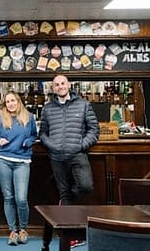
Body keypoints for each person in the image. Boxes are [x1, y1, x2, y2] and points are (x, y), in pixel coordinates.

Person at [39, 74, 99, 206]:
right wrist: (52, 145)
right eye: (57, 85)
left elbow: (94, 129)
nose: (60, 87)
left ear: (69, 85)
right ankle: (67, 226)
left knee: (86, 186)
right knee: (63, 194)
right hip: (57, 157)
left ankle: (69, 200)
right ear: (53, 89)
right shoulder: (47, 108)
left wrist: (81, 145)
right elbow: (42, 133)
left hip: (77, 155)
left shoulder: (83, 105)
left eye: (63, 83)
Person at [0, 91, 37, 246]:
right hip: (3, 160)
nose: (11, 104)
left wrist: (29, 141)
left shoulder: (29, 117)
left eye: (13, 100)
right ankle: (12, 231)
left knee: (21, 198)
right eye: (7, 102)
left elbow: (34, 135)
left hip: (22, 161)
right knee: (8, 197)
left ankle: (23, 229)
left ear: (18, 101)